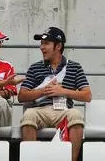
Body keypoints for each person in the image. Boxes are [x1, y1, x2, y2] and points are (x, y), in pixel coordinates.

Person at [18, 26, 91, 161]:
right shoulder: (35, 67)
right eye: (41, 44)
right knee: (28, 115)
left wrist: (63, 91)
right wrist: (43, 91)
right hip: (40, 110)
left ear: (58, 46)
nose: (41, 47)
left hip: (64, 110)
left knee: (76, 115)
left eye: (46, 44)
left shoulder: (74, 67)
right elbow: (22, 95)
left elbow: (87, 95)